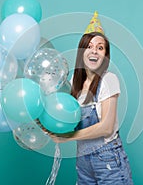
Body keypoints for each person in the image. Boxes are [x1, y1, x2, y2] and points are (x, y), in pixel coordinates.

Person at [50, 12, 134, 184]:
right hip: (83, 161)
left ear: (105, 55)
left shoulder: (108, 80)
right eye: (89, 46)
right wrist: (45, 125)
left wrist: (68, 136)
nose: (94, 50)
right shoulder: (74, 81)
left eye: (100, 47)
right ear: (82, 51)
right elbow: (64, 116)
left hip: (108, 160)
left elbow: (106, 128)